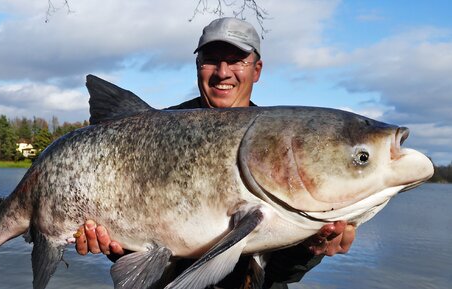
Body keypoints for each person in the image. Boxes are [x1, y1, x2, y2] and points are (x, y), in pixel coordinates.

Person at [74, 17, 356, 288]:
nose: (223, 72)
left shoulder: (280, 145)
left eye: (235, 60)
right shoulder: (150, 131)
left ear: (256, 70)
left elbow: (279, 274)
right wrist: (117, 246)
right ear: (198, 66)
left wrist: (309, 248)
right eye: (211, 60)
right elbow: (136, 244)